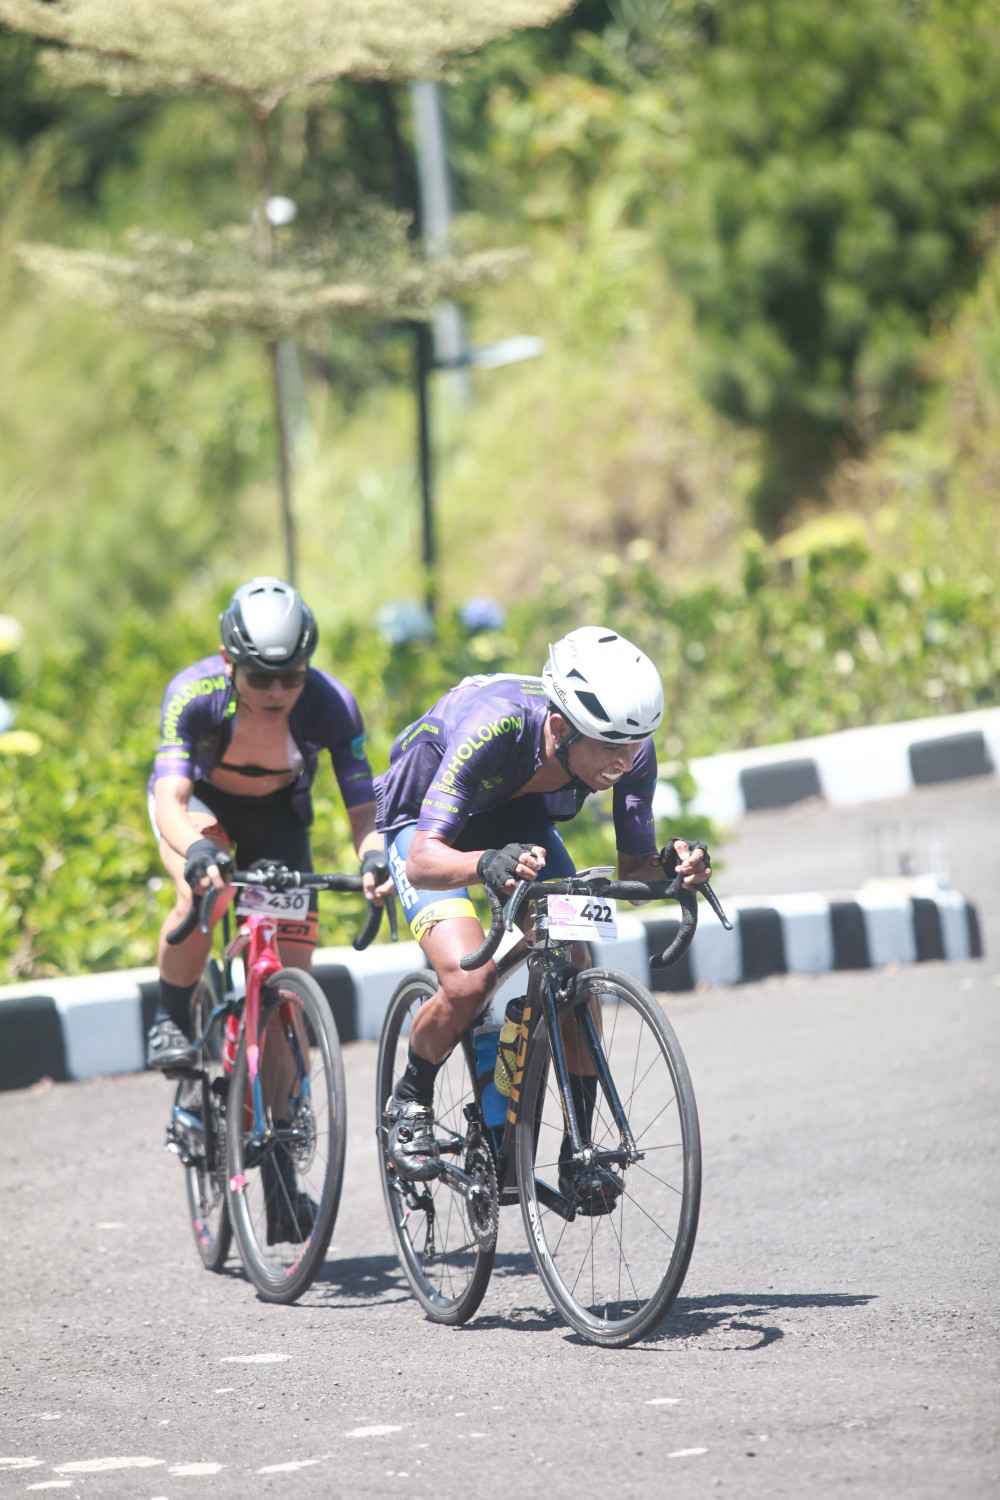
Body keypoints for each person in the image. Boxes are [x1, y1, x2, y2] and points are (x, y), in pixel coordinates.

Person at [374, 624, 711, 1211]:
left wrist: (674, 867)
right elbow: (425, 862)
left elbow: (635, 872)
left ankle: (580, 1151)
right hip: (425, 824)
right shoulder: (494, 727)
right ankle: (411, 1096)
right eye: (607, 747)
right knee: (470, 980)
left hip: (519, 821)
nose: (623, 761)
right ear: (559, 727)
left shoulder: (628, 746)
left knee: (571, 964)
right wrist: (484, 863)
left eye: (634, 746)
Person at [146, 576, 392, 1076]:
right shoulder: (194, 693)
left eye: (292, 676)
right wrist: (196, 850)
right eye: (259, 678)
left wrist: (373, 856)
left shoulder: (331, 703)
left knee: (288, 998)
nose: (277, 691)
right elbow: (170, 798)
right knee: (206, 891)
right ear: (228, 660)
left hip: (278, 817)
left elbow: (364, 811)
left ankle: (281, 1116)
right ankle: (170, 1018)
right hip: (201, 806)